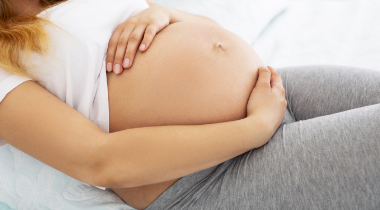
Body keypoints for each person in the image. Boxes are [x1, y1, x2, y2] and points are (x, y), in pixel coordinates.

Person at [0, 1, 379, 210]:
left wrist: (167, 13)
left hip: (270, 88)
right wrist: (255, 128)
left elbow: (202, 28)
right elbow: (98, 160)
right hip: (209, 177)